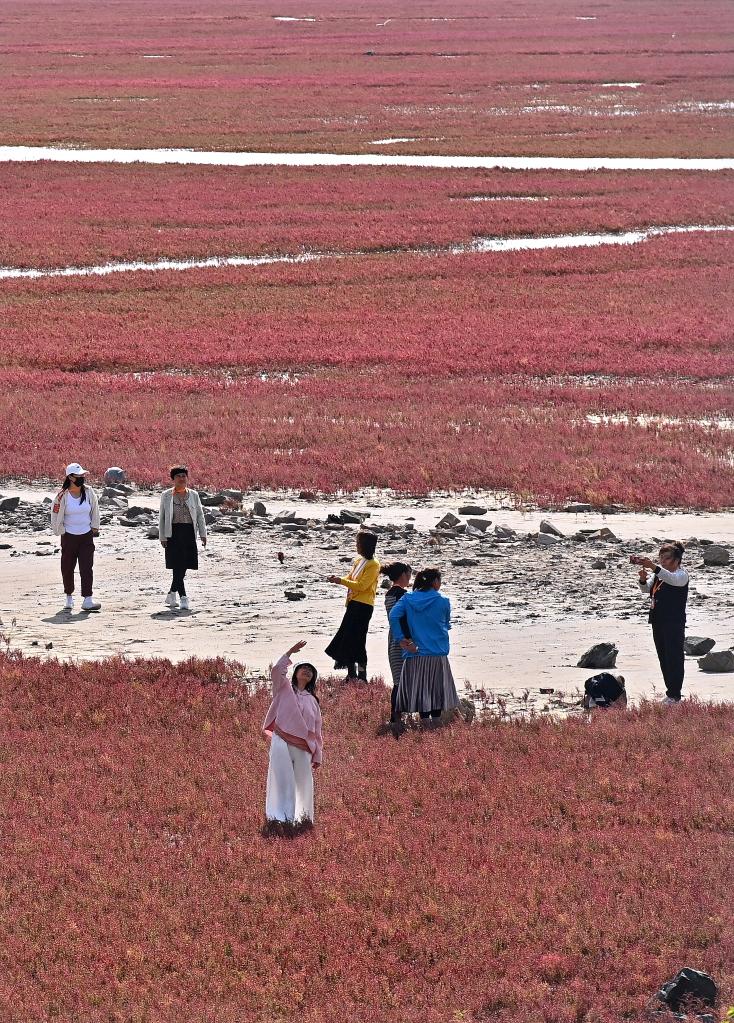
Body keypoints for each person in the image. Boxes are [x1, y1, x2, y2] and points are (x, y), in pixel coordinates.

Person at [262, 640, 323, 826]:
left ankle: (302, 818)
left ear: (313, 678)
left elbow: (317, 730)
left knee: (304, 783)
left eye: (310, 670)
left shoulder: (313, 700)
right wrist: (289, 652)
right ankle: (279, 817)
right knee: (282, 779)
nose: (307, 671)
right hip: (282, 739)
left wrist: (318, 754)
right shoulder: (284, 688)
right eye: (303, 668)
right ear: (295, 672)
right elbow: (276, 670)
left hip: (304, 746)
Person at [389, 567, 459, 724]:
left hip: (415, 654)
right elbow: (446, 624)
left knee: (422, 691)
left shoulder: (407, 599)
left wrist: (401, 639)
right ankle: (436, 725)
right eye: (439, 580)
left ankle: (425, 724)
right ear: (435, 582)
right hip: (437, 653)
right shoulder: (443, 601)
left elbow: (393, 616)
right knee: (436, 692)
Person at [632, 541, 689, 704]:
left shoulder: (681, 575)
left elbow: (671, 579)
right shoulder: (659, 574)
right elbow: (646, 589)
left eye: (667, 558)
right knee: (663, 656)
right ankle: (670, 693)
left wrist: (653, 566)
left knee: (674, 657)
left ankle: (675, 694)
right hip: (658, 619)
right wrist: (642, 580)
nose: (663, 561)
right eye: (661, 558)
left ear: (677, 560)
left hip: (674, 621)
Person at [325, 530, 380, 681]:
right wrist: (337, 579)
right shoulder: (359, 561)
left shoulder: (374, 565)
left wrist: (341, 581)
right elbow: (350, 578)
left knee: (359, 640)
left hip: (364, 606)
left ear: (365, 545)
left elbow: (362, 586)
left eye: (358, 543)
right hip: (353, 604)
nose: (357, 545)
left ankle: (362, 675)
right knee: (347, 638)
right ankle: (351, 674)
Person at [50, 462, 102, 612]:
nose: (82, 478)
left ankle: (88, 599)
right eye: (79, 475)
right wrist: (59, 530)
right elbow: (55, 514)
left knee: (87, 567)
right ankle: (68, 597)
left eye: (83, 475)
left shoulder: (89, 492)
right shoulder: (62, 496)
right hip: (69, 537)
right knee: (67, 568)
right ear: (71, 477)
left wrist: (95, 526)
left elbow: (95, 509)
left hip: (86, 536)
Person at [158, 466, 207, 610]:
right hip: (173, 533)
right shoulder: (166, 495)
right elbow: (162, 517)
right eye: (178, 476)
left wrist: (203, 533)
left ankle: (172, 593)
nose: (181, 478)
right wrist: (162, 536)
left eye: (184, 476)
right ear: (173, 479)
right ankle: (183, 597)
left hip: (189, 532)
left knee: (184, 565)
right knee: (177, 565)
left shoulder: (194, 495)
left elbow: (200, 515)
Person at [381, 562, 412, 723]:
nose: (410, 578)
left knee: (398, 680)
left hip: (393, 638)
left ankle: (396, 716)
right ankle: (396, 717)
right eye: (409, 574)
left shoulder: (389, 593)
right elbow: (404, 619)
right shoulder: (402, 595)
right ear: (403, 575)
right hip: (403, 640)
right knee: (402, 681)